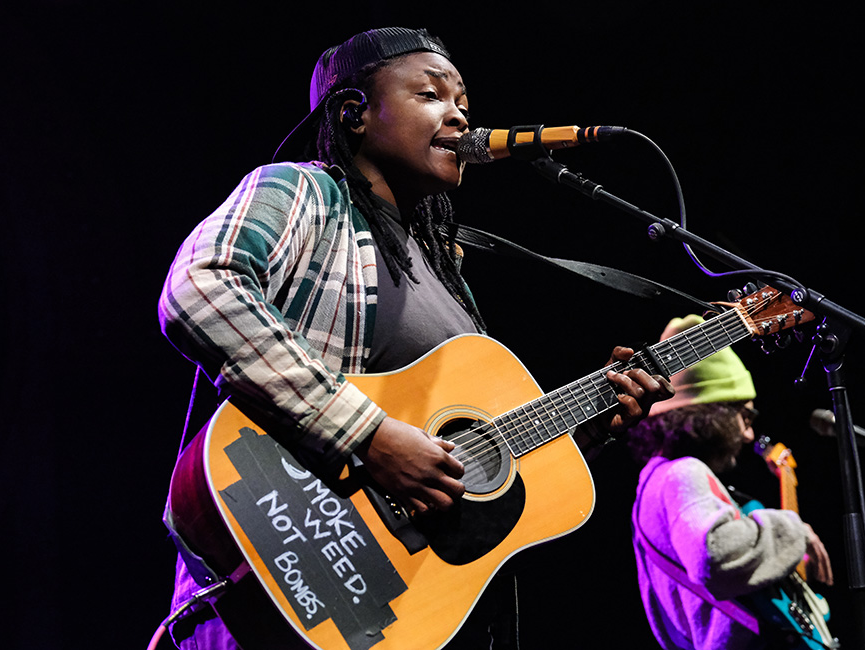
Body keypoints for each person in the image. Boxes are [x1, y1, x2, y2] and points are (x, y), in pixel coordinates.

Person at [158, 27, 673, 650]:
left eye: (463, 103)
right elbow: (201, 288)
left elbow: (465, 466)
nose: (459, 116)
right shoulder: (304, 192)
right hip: (282, 568)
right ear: (354, 114)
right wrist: (368, 435)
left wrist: (587, 426)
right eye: (431, 95)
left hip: (407, 614)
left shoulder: (445, 269)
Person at [627, 314, 833, 650]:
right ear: (715, 412)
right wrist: (793, 529)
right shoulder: (682, 474)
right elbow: (716, 553)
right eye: (745, 416)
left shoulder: (658, 481)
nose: (749, 434)